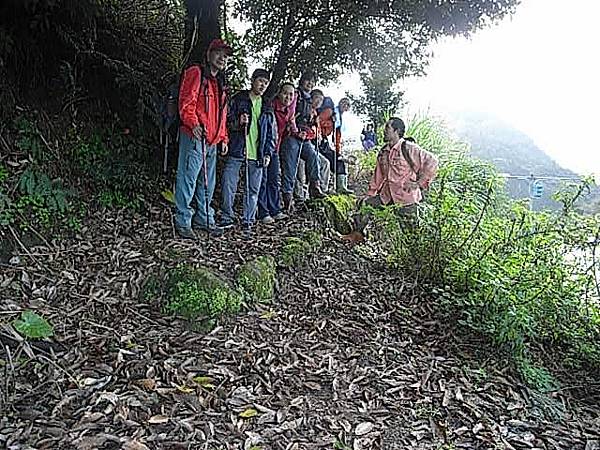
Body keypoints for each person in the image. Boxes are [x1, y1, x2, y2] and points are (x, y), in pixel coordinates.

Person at [174, 38, 231, 239]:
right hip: (194, 136)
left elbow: (222, 114)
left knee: (207, 183)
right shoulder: (196, 73)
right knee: (188, 179)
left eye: (225, 56)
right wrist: (193, 124)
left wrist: (223, 137)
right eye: (218, 53)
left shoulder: (220, 83)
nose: (222, 58)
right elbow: (186, 101)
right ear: (209, 54)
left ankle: (205, 218)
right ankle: (182, 221)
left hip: (213, 141)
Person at [352, 117, 438, 234]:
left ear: (396, 131)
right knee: (366, 206)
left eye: (387, 127)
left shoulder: (408, 147)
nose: (384, 130)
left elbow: (432, 161)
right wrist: (370, 194)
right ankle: (357, 236)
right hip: (387, 196)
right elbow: (378, 177)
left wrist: (418, 183)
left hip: (406, 198)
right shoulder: (383, 152)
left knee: (411, 234)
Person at [219, 68, 276, 238]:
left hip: (257, 154)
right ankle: (226, 217)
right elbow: (226, 122)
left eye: (265, 83)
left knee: (252, 190)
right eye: (260, 81)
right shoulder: (239, 99)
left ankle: (248, 221)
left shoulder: (267, 105)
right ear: (252, 80)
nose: (262, 85)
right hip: (238, 149)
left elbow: (271, 134)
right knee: (229, 183)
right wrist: (238, 122)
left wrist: (267, 153)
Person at [280, 70, 326, 213]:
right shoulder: (296, 95)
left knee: (313, 156)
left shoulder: (309, 100)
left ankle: (315, 186)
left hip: (303, 137)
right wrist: (295, 132)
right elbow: (291, 115)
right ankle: (287, 198)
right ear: (302, 81)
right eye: (308, 80)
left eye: (312, 82)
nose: (310, 84)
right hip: (291, 136)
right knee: (290, 168)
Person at [257, 82, 295, 223]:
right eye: (285, 93)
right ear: (279, 93)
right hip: (264, 147)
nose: (288, 97)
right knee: (263, 179)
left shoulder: (288, 112)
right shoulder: (270, 107)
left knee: (273, 179)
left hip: (275, 148)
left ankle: (275, 209)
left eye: (291, 94)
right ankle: (263, 212)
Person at [317, 96, 353, 194]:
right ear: (340, 103)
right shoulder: (330, 111)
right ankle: (323, 189)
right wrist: (329, 124)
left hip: (325, 142)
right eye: (343, 103)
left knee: (339, 160)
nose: (345, 106)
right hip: (318, 139)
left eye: (347, 105)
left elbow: (337, 136)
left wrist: (338, 152)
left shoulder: (339, 118)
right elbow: (318, 121)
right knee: (326, 163)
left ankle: (341, 187)